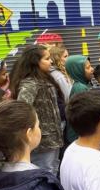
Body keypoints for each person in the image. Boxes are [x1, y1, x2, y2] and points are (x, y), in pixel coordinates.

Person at [10, 45, 63, 173]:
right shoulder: (30, 84)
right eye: (47, 58)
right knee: (46, 171)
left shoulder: (44, 79)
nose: (51, 61)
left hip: (53, 138)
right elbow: (22, 110)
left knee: (53, 169)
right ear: (35, 62)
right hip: (42, 143)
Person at [64, 55, 93, 145]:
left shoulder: (82, 85)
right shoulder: (80, 88)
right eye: (88, 67)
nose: (92, 69)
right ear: (78, 71)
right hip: (79, 138)